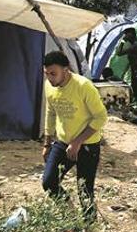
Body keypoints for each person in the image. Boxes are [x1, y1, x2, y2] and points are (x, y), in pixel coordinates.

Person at [41, 51, 107, 221]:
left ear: (66, 69)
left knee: (85, 191)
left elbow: (101, 117)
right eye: (46, 73)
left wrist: (78, 142)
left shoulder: (83, 86)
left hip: (87, 146)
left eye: (53, 74)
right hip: (62, 142)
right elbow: (50, 112)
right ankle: (70, 217)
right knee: (49, 182)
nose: (50, 78)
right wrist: (47, 143)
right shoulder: (50, 86)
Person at [115, 28, 137, 125]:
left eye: (126, 34)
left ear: (130, 34)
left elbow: (119, 53)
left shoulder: (135, 46)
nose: (125, 36)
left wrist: (122, 42)